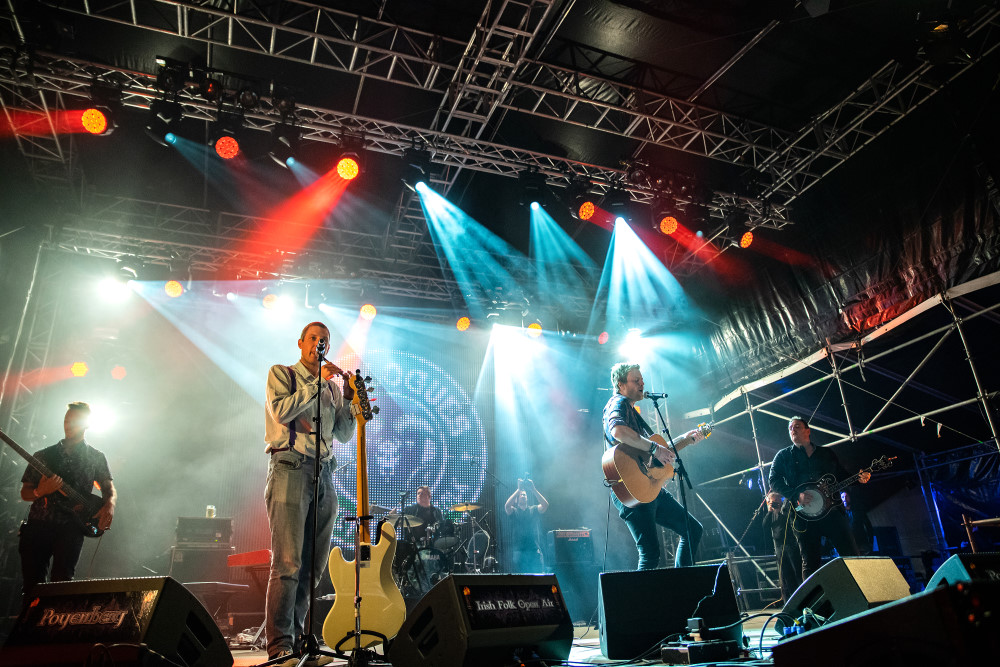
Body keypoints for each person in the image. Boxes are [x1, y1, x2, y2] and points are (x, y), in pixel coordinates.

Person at [264, 321, 357, 665]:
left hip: (325, 472)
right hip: (290, 466)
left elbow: (344, 434)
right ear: (301, 342)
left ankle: (302, 643)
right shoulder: (282, 373)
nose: (319, 344)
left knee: (313, 567)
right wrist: (318, 383)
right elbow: (281, 411)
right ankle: (280, 647)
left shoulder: (332, 388)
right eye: (314, 338)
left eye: (325, 340)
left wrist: (349, 396)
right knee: (288, 562)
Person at [603, 362, 705, 570]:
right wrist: (654, 448)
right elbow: (617, 431)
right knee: (650, 554)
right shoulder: (619, 402)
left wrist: (686, 439)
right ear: (621, 385)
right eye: (636, 380)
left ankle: (683, 585)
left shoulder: (632, 411)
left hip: (647, 486)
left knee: (692, 529)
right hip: (630, 487)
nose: (642, 383)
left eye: (642, 379)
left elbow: (650, 455)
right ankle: (643, 595)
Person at [18, 402, 116, 597]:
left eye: (74, 421)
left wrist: (109, 505)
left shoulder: (95, 457)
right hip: (38, 525)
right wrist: (40, 491)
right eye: (66, 420)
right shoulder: (43, 456)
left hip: (72, 528)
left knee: (62, 585)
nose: (68, 425)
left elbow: (107, 487)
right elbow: (25, 492)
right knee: (32, 586)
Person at [768, 416, 870, 580]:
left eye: (797, 426)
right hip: (802, 516)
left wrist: (858, 479)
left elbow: (841, 476)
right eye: (790, 428)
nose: (792, 430)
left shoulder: (825, 453)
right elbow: (773, 480)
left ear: (808, 431)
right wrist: (796, 495)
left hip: (832, 512)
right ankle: (812, 597)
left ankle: (861, 590)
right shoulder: (783, 456)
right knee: (810, 563)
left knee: (851, 555)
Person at [763, 491, 802, 603]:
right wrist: (770, 512)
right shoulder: (771, 514)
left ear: (780, 500)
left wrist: (779, 510)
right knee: (786, 574)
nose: (775, 503)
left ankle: (803, 594)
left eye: (777, 501)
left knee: (797, 571)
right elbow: (764, 525)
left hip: (791, 545)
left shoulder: (786, 509)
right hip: (779, 548)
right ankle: (793, 600)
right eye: (772, 502)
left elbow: (792, 515)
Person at [504, 477, 549, 573]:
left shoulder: (534, 509)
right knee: (520, 577)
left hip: (533, 549)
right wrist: (518, 489)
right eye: (521, 495)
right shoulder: (514, 511)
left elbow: (545, 505)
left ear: (527, 498)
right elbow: (507, 506)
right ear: (516, 500)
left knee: (538, 576)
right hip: (519, 551)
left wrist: (533, 489)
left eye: (524, 494)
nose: (523, 496)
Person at [841, 490, 874, 555]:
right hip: (848, 545)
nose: (845, 499)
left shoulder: (858, 511)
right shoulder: (840, 514)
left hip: (861, 545)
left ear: (850, 497)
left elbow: (868, 526)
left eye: (846, 496)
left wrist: (870, 543)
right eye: (842, 497)